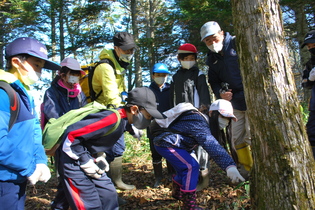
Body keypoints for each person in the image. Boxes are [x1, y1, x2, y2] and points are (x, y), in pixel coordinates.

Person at [55, 87, 164, 210]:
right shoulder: (111, 118)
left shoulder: (124, 120)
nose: (148, 120)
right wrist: (85, 160)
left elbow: (108, 132)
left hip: (90, 158)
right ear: (134, 109)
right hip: (72, 160)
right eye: (148, 116)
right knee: (89, 203)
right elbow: (71, 136)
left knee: (108, 195)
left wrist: (131, 131)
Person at [0, 37, 60, 209]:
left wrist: (40, 160)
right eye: (37, 65)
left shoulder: (25, 93)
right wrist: (28, 166)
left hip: (18, 176)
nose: (40, 72)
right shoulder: (3, 92)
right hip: (4, 179)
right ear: (17, 62)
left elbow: (35, 131)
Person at [150, 102, 245, 209]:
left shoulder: (200, 120)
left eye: (228, 119)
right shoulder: (198, 120)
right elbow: (211, 144)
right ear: (211, 113)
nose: (225, 122)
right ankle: (189, 205)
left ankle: (177, 193)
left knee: (185, 168)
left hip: (177, 144)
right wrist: (229, 166)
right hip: (167, 143)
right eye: (223, 116)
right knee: (191, 167)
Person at [200, 21, 253, 176]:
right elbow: (213, 81)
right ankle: (247, 169)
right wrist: (220, 94)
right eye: (207, 40)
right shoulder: (211, 58)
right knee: (236, 138)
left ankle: (258, 168)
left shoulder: (237, 44)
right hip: (234, 102)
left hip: (251, 99)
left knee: (252, 136)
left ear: (222, 33)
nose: (212, 42)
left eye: (214, 38)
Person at [93, 32, 138, 190]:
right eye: (126, 50)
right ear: (116, 49)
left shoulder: (118, 64)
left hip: (116, 112)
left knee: (118, 147)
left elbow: (121, 92)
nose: (129, 53)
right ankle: (104, 187)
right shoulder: (106, 67)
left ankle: (116, 182)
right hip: (103, 114)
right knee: (106, 151)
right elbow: (112, 97)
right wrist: (127, 120)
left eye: (132, 50)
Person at [42, 57, 87, 210]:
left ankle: (63, 205)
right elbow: (52, 115)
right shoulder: (52, 92)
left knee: (73, 177)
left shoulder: (80, 93)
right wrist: (68, 126)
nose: (75, 76)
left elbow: (85, 113)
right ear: (62, 74)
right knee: (67, 176)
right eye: (72, 73)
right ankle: (59, 206)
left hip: (77, 139)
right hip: (61, 140)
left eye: (77, 73)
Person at [170, 43, 212, 190]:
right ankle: (188, 177)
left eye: (192, 58)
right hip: (181, 117)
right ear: (179, 59)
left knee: (201, 145)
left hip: (197, 115)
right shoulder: (175, 77)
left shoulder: (199, 74)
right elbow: (173, 98)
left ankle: (204, 178)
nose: (189, 60)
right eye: (186, 58)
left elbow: (204, 95)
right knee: (185, 145)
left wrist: (203, 109)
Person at [147, 63, 175, 187]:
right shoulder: (148, 91)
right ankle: (158, 177)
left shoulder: (171, 89)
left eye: (164, 75)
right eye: (158, 75)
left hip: (169, 125)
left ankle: (171, 175)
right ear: (153, 76)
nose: (161, 77)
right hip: (153, 125)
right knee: (156, 152)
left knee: (170, 150)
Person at [301, 30, 315, 158]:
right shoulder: (310, 64)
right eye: (309, 47)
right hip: (314, 107)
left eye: (313, 45)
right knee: (312, 133)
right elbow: (304, 83)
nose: (311, 48)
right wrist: (310, 79)